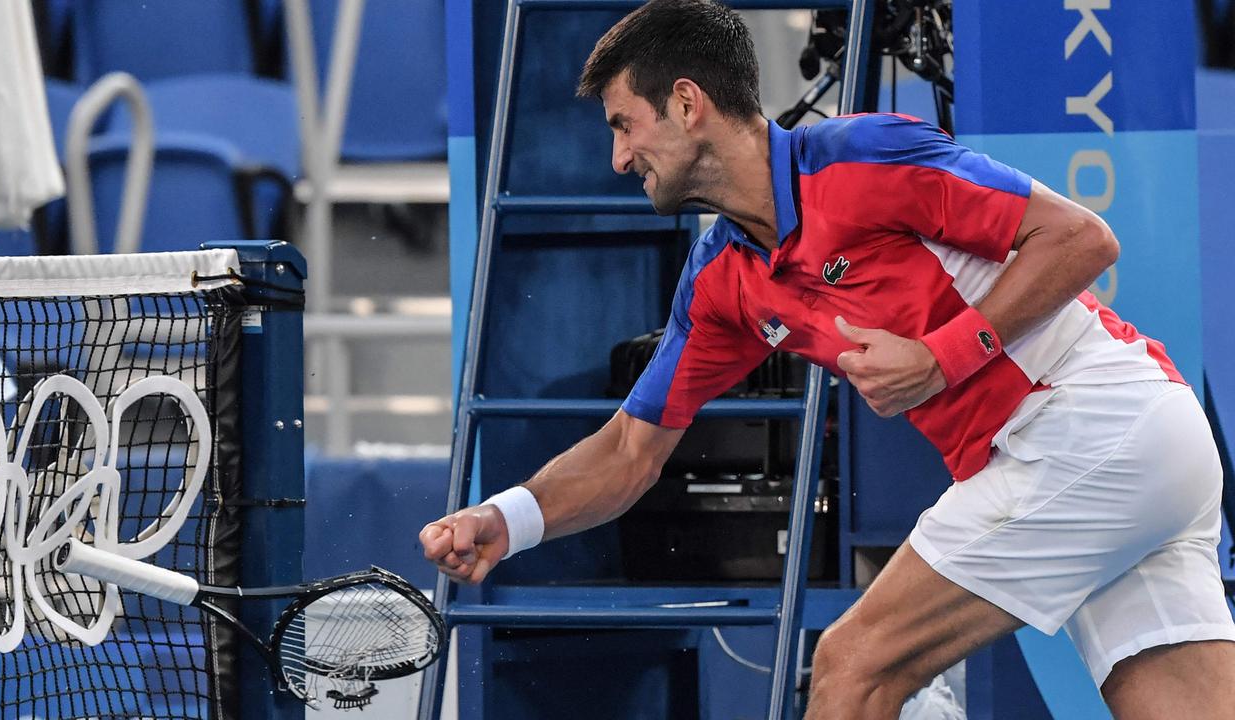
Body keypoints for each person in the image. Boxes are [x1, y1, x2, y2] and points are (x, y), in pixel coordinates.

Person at [419, 1, 1235, 717]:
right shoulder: (721, 283)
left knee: (853, 666)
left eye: (623, 125)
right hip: (1147, 456)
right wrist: (507, 519)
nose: (619, 159)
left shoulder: (864, 159)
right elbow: (632, 451)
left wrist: (941, 357)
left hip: (1089, 423)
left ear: (687, 103)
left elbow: (1082, 239)